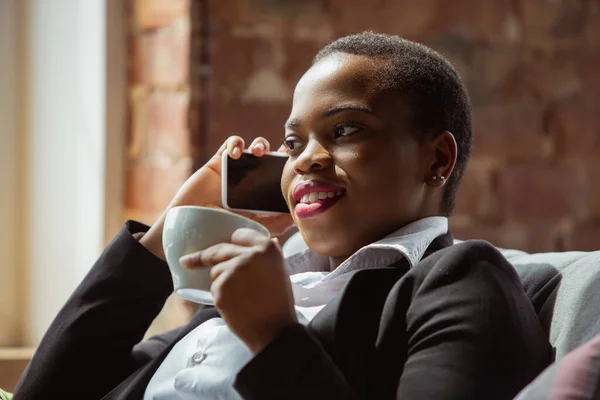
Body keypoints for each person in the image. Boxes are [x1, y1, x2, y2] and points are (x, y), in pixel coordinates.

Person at [14, 32, 552, 400]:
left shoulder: (458, 281)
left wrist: (273, 334)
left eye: (345, 130)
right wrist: (167, 233)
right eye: (294, 143)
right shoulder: (267, 286)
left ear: (437, 159)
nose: (306, 160)